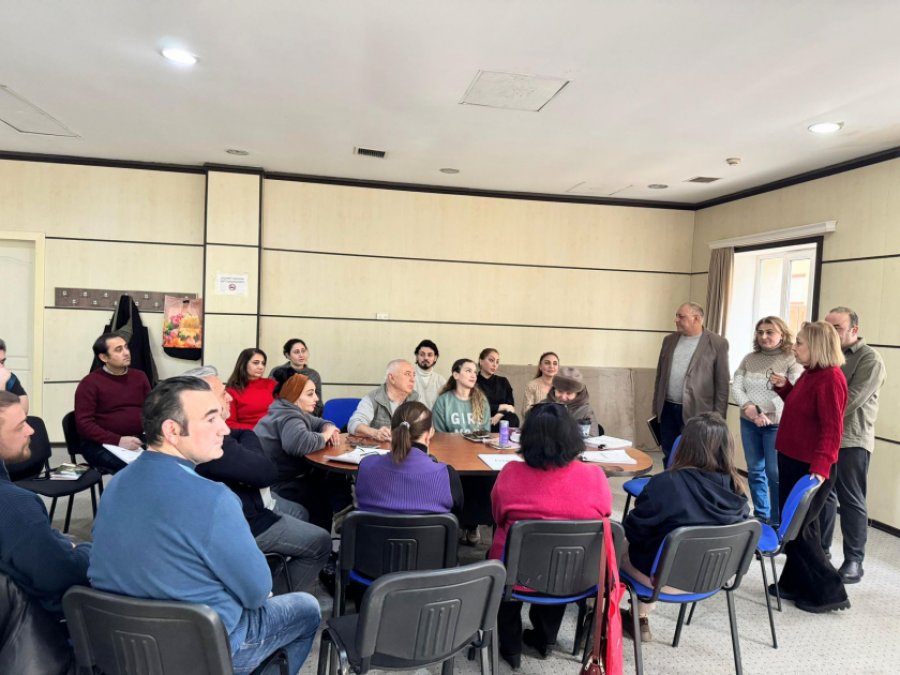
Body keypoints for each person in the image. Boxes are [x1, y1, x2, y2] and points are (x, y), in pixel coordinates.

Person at [89, 377, 321, 675]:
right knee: (306, 608)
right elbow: (257, 593)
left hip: (122, 644)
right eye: (211, 419)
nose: (224, 428)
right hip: (200, 648)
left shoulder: (116, 484)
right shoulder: (214, 498)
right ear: (172, 430)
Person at [186, 367, 331, 593]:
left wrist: (326, 426)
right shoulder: (213, 443)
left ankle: (272, 570)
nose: (230, 397)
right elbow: (267, 472)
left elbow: (245, 437)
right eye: (223, 393)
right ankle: (275, 601)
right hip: (248, 521)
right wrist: (325, 434)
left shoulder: (279, 411)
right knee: (321, 540)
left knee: (301, 512)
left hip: (251, 504)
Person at [489, 402, 612, 668]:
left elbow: (497, 517)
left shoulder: (510, 473)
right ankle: (545, 640)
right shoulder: (595, 476)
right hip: (574, 575)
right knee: (563, 555)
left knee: (501, 555)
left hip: (514, 574)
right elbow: (605, 514)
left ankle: (510, 647)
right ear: (572, 436)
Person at [622, 412, 749, 641]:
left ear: (685, 444)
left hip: (663, 581)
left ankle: (607, 615)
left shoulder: (667, 483)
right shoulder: (737, 489)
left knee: (610, 541)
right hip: (713, 579)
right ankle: (639, 618)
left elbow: (634, 531)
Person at [769, 321, 849, 613]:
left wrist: (821, 466)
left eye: (800, 343)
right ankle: (793, 583)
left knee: (801, 529)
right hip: (792, 459)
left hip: (810, 467)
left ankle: (830, 593)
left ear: (816, 346)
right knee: (797, 526)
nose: (794, 347)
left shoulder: (831, 379)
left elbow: (832, 429)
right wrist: (784, 389)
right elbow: (801, 409)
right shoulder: (810, 373)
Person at [0, 391, 91, 616]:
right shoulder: (17, 506)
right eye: (21, 426)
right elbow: (61, 574)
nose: (31, 431)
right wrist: (86, 550)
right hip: (33, 621)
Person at [819, 307, 886, 583]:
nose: (830, 332)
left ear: (853, 330)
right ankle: (821, 550)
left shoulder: (870, 359)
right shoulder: (827, 356)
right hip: (825, 437)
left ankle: (854, 560)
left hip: (852, 439)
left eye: (836, 327)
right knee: (823, 496)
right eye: (828, 326)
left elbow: (852, 399)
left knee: (851, 500)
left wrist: (816, 412)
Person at [730, 316, 802, 527]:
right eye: (760, 332)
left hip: (776, 425)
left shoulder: (792, 359)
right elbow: (737, 387)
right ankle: (761, 514)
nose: (764, 336)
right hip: (749, 422)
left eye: (769, 332)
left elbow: (793, 392)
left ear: (782, 334)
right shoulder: (749, 358)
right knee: (754, 470)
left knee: (774, 473)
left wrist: (762, 411)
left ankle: (777, 519)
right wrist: (750, 409)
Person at [254, 374, 342, 531]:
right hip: (277, 485)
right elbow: (298, 444)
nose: (316, 398)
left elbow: (319, 422)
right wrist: (326, 435)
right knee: (322, 495)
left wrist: (328, 426)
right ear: (294, 396)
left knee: (326, 479)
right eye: (310, 394)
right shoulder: (290, 417)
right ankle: (323, 537)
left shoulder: (287, 410)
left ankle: (341, 512)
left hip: (272, 479)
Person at [652, 302, 729, 464]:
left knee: (695, 455)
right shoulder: (669, 340)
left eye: (681, 316)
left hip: (698, 410)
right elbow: (660, 376)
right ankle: (669, 479)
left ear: (697, 318)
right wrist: (656, 408)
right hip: (667, 408)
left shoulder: (717, 343)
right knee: (669, 452)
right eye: (677, 316)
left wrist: (718, 418)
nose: (676, 320)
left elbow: (722, 383)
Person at [355, 401, 463, 516]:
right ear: (429, 434)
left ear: (391, 431)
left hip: (372, 528)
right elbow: (457, 512)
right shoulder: (446, 475)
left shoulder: (366, 467)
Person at [74, 332, 151, 473]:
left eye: (126, 347)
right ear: (104, 357)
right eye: (118, 350)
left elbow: (151, 410)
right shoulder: (90, 383)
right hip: (101, 443)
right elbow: (84, 424)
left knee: (168, 460)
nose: (126, 353)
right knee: (137, 469)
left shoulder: (140, 377)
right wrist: (118, 440)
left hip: (138, 438)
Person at [347, 359, 419, 441]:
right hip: (379, 447)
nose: (413, 379)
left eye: (414, 375)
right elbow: (353, 424)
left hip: (405, 447)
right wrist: (375, 433)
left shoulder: (415, 398)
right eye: (407, 374)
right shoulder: (373, 398)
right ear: (392, 378)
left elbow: (426, 426)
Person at [432, 358, 491, 434]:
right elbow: (440, 434)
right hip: (449, 442)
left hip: (477, 442)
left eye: (475, 372)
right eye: (468, 371)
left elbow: (485, 432)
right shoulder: (442, 401)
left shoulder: (482, 401)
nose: (473, 376)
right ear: (456, 375)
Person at [269, 339, 324, 417]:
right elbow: (270, 398)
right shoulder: (278, 372)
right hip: (281, 416)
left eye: (303, 351)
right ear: (287, 355)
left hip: (307, 417)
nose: (301, 355)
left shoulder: (313, 375)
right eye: (296, 352)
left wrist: (305, 417)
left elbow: (318, 404)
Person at [225, 348, 276, 430]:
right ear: (244, 364)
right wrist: (258, 429)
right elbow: (230, 423)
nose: (261, 367)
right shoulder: (231, 391)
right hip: (249, 433)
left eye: (263, 363)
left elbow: (284, 411)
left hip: (276, 431)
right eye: (256, 363)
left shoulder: (272, 384)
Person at [546, 367, 604, 436]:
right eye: (559, 391)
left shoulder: (585, 411)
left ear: (578, 394)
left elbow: (592, 437)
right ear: (554, 389)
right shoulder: (544, 406)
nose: (563, 397)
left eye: (569, 393)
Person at [476, 348, 520, 431]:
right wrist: (500, 407)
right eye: (491, 360)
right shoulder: (473, 381)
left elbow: (510, 406)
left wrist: (499, 414)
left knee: (513, 418)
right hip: (481, 418)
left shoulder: (503, 381)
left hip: (500, 418)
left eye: (497, 362)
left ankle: (503, 438)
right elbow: (476, 406)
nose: (495, 365)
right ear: (481, 361)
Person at [412, 339, 447, 409]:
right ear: (417, 356)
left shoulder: (441, 381)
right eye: (422, 354)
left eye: (430, 355)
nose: (425, 358)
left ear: (435, 358)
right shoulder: (408, 377)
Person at [0, 338, 28, 413]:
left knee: (36, 420)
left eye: (2, 362)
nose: (1, 367)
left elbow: (24, 410)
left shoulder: (9, 378)